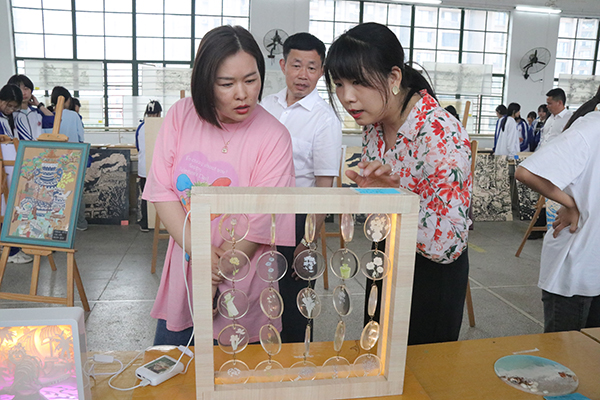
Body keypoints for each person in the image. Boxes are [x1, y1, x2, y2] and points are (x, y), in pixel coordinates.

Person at [142, 25, 295, 346]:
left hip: (242, 275)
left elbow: (262, 219)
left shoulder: (274, 136)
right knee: (172, 368)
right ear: (205, 82)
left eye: (251, 80)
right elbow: (161, 190)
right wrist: (199, 251)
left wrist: (218, 271)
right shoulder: (181, 116)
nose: (242, 94)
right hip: (186, 269)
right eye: (227, 84)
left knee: (238, 370)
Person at [324, 22, 471, 345]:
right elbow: (378, 209)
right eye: (339, 84)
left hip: (430, 276)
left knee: (422, 366)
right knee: (376, 352)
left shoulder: (439, 132)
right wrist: (373, 197)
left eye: (358, 82)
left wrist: (393, 199)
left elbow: (448, 243)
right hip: (384, 257)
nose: (347, 97)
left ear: (393, 78)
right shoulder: (374, 126)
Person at [261, 32, 342, 343]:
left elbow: (324, 186)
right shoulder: (265, 106)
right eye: (296, 65)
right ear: (283, 65)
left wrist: (308, 240)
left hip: (297, 220)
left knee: (295, 303)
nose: (303, 75)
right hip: (259, 214)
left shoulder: (325, 119)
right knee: (259, 294)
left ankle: (296, 359)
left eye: (311, 67)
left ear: (321, 72)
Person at [515, 85, 600, 333]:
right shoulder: (590, 129)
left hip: (593, 262)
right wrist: (571, 204)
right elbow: (526, 172)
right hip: (576, 268)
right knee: (565, 351)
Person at [46, 86, 88, 231]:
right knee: (75, 191)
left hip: (52, 160)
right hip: (72, 159)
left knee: (54, 192)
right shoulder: (73, 116)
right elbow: (81, 137)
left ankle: (58, 223)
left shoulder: (47, 115)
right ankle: (80, 223)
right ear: (67, 100)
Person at [0, 84, 33, 264]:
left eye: (14, 107)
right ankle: (11, 252)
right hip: (5, 170)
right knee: (6, 208)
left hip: (12, 168)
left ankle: (11, 248)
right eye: (9, 105)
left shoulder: (13, 118)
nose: (11, 109)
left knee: (11, 207)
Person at [135, 100, 162, 232]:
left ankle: (145, 222)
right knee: (160, 195)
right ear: (159, 113)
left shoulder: (141, 127)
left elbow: (138, 147)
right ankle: (161, 222)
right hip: (158, 168)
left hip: (143, 168)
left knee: (146, 196)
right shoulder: (162, 126)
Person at [6, 74, 53, 140]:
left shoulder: (36, 113)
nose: (23, 93)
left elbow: (52, 121)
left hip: (36, 146)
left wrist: (39, 105)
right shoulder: (8, 114)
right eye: (19, 90)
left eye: (26, 89)